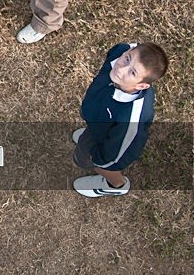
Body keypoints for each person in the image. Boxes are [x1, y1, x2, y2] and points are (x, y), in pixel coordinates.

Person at [72, 42, 168, 197]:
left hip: (107, 144)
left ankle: (116, 185)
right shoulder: (119, 51)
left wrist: (97, 158)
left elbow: (115, 156)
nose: (120, 68)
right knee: (90, 136)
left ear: (142, 86)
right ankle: (91, 134)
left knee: (89, 160)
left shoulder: (130, 120)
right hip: (97, 121)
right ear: (128, 50)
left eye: (132, 73)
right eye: (127, 59)